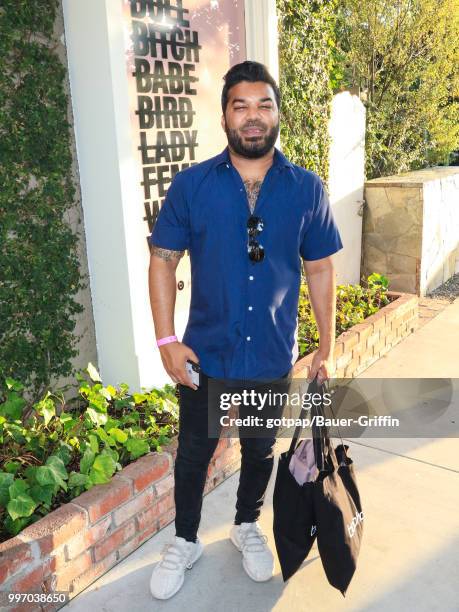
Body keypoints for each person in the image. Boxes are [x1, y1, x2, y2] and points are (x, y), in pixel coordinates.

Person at [147, 60, 343, 600]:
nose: (253, 118)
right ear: (225, 115)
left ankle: (244, 525)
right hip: (206, 355)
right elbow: (163, 260)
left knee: (259, 450)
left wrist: (326, 343)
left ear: (278, 114)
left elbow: (320, 267)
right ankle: (185, 539)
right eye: (241, 106)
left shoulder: (306, 188)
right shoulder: (192, 186)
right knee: (194, 453)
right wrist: (166, 339)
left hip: (271, 358)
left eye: (264, 105)